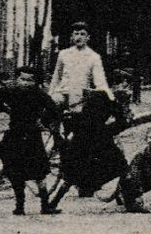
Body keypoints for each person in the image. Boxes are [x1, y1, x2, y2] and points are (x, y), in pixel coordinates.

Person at [0, 65, 62, 216]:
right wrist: (3, 108)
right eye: (22, 79)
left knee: (39, 172)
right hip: (15, 134)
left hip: (33, 135)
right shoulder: (11, 92)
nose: (25, 83)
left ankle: (45, 205)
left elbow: (54, 110)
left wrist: (43, 122)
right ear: (17, 79)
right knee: (15, 171)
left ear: (36, 82)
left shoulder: (40, 95)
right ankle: (19, 205)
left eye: (30, 80)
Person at [47, 83, 132, 212]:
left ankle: (54, 203)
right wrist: (110, 129)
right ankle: (126, 199)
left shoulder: (79, 98)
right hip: (101, 140)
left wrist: (63, 133)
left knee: (72, 175)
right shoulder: (109, 99)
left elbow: (68, 121)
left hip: (82, 141)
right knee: (121, 168)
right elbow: (121, 123)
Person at [48, 23, 110, 108]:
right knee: (54, 104)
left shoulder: (94, 57)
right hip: (62, 92)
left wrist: (109, 97)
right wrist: (50, 94)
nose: (79, 37)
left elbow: (100, 81)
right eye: (76, 34)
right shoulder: (63, 54)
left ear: (88, 37)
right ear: (72, 36)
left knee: (76, 114)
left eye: (82, 34)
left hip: (80, 95)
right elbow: (56, 77)